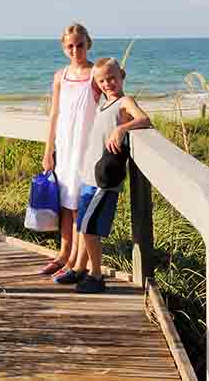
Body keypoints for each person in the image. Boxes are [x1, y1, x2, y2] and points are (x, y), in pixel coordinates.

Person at [55, 58, 152, 293]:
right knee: (83, 226)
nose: (108, 83)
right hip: (89, 176)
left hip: (105, 180)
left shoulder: (124, 102)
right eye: (102, 80)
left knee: (89, 229)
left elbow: (144, 119)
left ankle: (96, 276)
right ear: (97, 83)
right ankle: (80, 270)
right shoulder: (104, 104)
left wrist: (121, 129)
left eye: (112, 78)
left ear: (122, 77)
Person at [39, 23, 99, 276]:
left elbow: (115, 98)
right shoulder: (60, 76)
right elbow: (54, 114)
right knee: (65, 203)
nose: (76, 50)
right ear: (64, 48)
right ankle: (64, 254)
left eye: (80, 45)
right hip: (65, 145)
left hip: (86, 147)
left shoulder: (97, 73)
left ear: (88, 44)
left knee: (78, 205)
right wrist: (48, 149)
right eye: (71, 46)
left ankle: (76, 260)